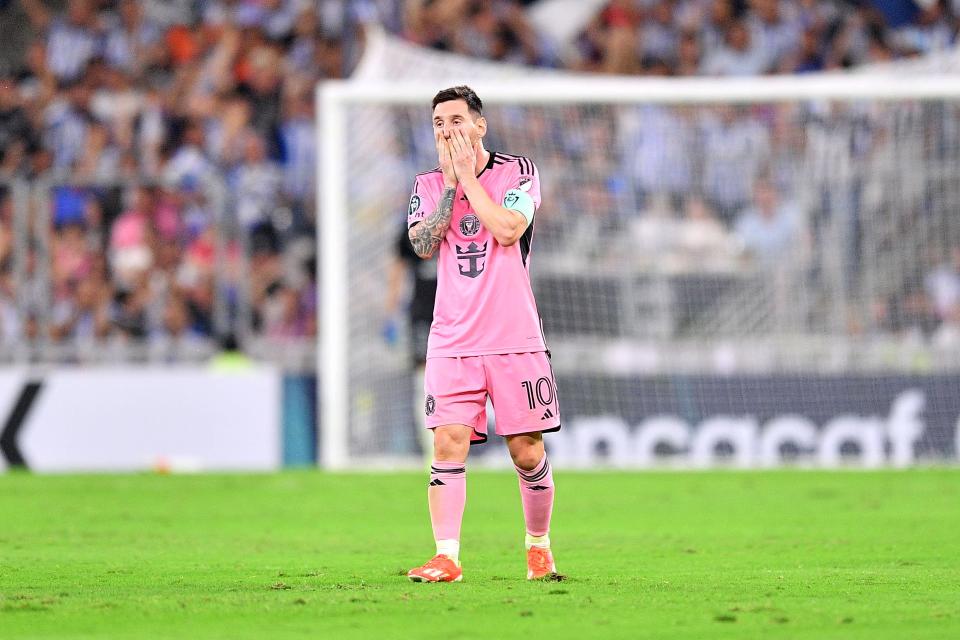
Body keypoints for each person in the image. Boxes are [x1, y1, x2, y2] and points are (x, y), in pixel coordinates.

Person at [405, 86, 561, 583]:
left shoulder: (519, 171)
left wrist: (469, 179)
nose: (446, 130)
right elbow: (423, 244)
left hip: (515, 336)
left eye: (455, 120)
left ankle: (538, 547)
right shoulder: (428, 184)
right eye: (437, 123)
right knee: (448, 442)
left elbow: (508, 229)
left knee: (526, 450)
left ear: (479, 126)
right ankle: (446, 555)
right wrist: (452, 186)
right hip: (453, 339)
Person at [384, 224, 437, 459]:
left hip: (460, 313)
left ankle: (462, 446)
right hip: (424, 315)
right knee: (424, 382)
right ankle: (431, 450)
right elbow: (398, 270)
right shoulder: (412, 226)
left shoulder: (463, 217)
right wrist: (391, 314)